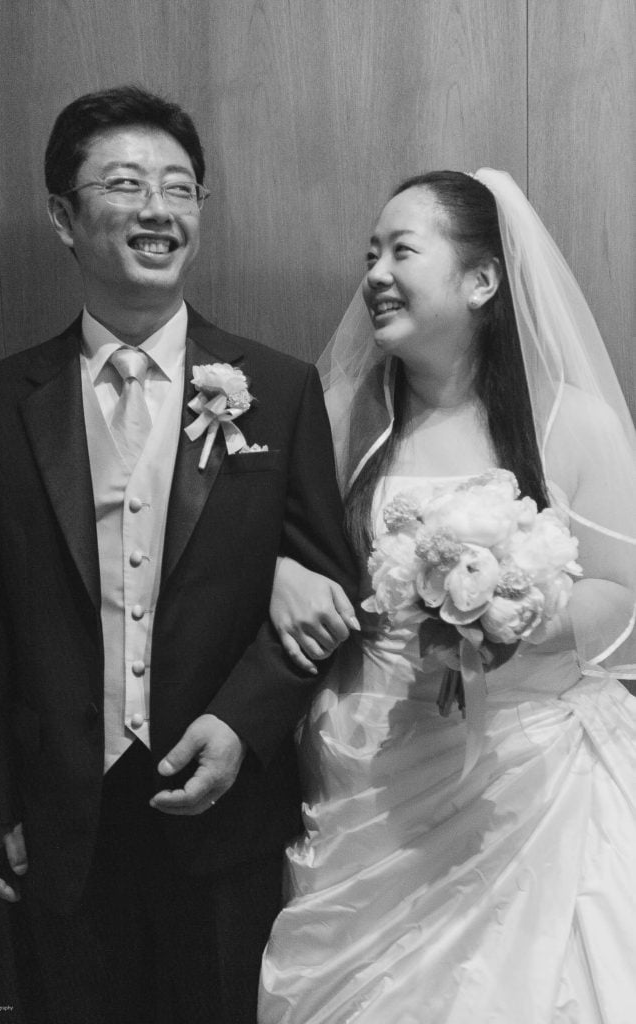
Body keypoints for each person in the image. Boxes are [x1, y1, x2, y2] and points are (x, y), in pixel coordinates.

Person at [0, 85, 357, 1024]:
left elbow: (332, 582)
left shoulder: (278, 388)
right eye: (125, 184)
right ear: (64, 215)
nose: (157, 210)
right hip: (55, 812)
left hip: (223, 806)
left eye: (179, 188)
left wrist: (244, 721)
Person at [258, 169, 636, 1022]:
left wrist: (522, 612)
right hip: (373, 760)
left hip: (533, 770)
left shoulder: (570, 423)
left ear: (481, 280)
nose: (375, 275)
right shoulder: (337, 413)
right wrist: (277, 574)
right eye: (369, 254)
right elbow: (270, 548)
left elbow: (621, 596)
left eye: (401, 250)